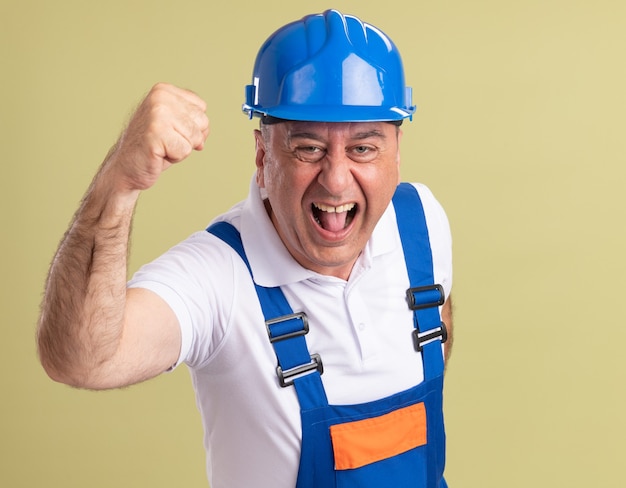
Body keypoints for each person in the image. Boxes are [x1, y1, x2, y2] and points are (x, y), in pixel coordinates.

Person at [37, 9, 453, 488]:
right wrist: (118, 185)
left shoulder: (422, 222)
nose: (336, 181)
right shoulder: (217, 276)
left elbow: (437, 335)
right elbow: (79, 358)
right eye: (308, 148)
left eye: (363, 148)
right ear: (262, 155)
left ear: (396, 152)